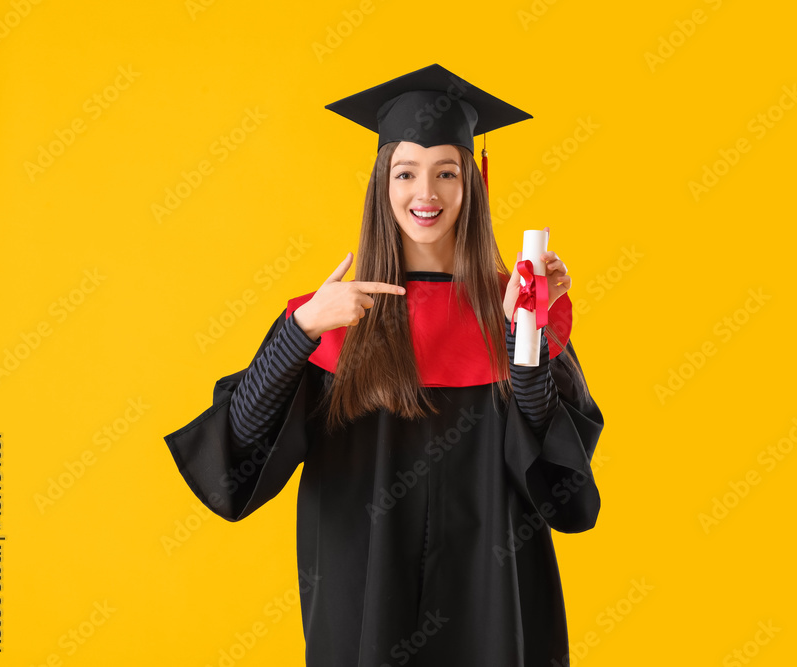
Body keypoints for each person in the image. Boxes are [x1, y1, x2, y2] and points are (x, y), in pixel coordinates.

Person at [163, 63, 604, 666]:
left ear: (471, 183)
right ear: (382, 184)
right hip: (361, 589)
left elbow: (562, 486)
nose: (426, 194)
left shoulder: (517, 307)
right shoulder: (328, 318)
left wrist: (524, 336)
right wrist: (299, 333)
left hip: (494, 591)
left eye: (446, 172)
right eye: (406, 173)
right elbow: (233, 451)